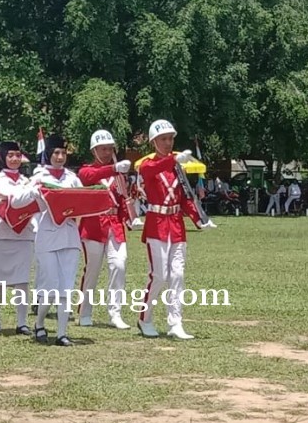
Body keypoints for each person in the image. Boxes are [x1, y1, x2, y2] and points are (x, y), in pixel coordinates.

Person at [136, 119, 216, 340]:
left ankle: (175, 322)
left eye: (171, 139)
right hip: (156, 225)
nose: (168, 143)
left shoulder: (177, 167)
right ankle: (145, 318)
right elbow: (152, 170)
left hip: (176, 226)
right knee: (159, 275)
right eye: (163, 139)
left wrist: (199, 219)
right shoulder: (148, 165)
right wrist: (172, 161)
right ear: (154, 142)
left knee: (178, 276)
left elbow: (185, 197)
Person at [77, 129, 133, 330]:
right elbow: (89, 176)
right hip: (93, 225)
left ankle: (115, 313)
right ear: (94, 150)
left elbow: (122, 198)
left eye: (110, 148)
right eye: (103, 149)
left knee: (119, 265)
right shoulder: (87, 170)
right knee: (92, 269)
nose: (108, 152)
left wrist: (129, 218)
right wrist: (114, 168)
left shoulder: (119, 175)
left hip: (114, 224)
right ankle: (85, 311)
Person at [31, 133, 83, 346]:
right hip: (47, 235)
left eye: (63, 152)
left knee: (66, 287)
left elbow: (82, 200)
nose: (60, 157)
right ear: (49, 154)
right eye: (56, 153)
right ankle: (39, 323)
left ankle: (62, 333)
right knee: (51, 287)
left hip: (70, 235)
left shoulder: (72, 178)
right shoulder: (39, 176)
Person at [0, 141, 37, 336]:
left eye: (17, 155)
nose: (14, 159)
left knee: (23, 280)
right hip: (2, 233)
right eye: (10, 155)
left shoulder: (27, 180)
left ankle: (22, 321)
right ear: (3, 157)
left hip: (24, 234)